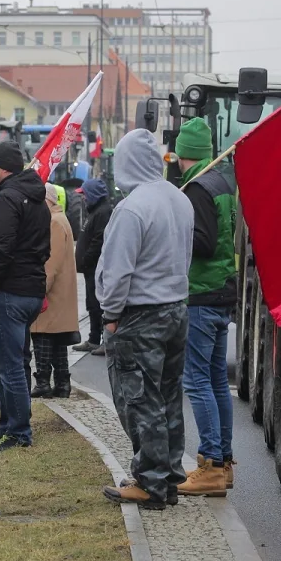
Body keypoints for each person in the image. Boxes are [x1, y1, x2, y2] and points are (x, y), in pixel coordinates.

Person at [96, 128, 192, 511]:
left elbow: (118, 270)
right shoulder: (178, 199)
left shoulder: (133, 207)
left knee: (139, 400)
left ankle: (149, 482)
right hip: (176, 309)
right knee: (168, 396)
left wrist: (111, 314)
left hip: (139, 315)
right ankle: (168, 476)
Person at [172, 118, 238, 496]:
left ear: (183, 154)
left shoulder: (196, 187)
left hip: (200, 293)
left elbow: (204, 242)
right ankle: (224, 462)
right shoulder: (223, 183)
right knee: (216, 383)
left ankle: (210, 464)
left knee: (196, 382)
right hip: (222, 291)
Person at [0, 141, 50, 454]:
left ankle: (19, 432)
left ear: (3, 167)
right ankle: (7, 424)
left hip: (9, 291)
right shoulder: (36, 197)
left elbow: (2, 247)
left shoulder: (7, 199)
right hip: (31, 289)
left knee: (8, 366)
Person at [30, 182, 79, 399]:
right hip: (60, 291)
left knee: (41, 334)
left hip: (53, 292)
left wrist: (40, 288)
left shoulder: (54, 222)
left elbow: (51, 262)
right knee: (57, 339)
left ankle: (43, 381)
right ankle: (62, 383)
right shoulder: (60, 219)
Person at [74, 179, 113, 355]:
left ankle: (103, 341)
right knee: (92, 304)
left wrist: (86, 259)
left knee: (98, 305)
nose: (83, 198)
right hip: (91, 268)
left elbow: (98, 241)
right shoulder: (95, 211)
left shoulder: (103, 212)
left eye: (85, 195)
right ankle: (93, 339)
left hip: (96, 267)